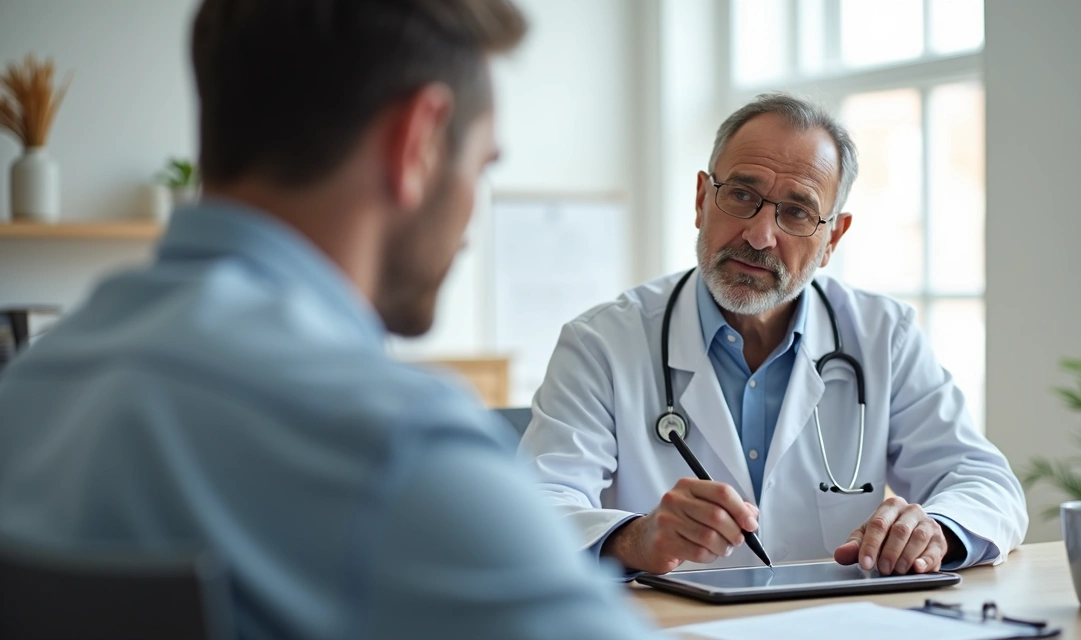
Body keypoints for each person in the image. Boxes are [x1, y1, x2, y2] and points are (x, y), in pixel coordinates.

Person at [0, 1, 661, 638]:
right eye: (480, 165)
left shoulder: (30, 387)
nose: (469, 226)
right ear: (419, 141)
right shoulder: (395, 447)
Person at [519, 93, 1028, 578]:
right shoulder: (602, 343)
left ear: (833, 238)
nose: (760, 236)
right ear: (701, 199)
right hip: (668, 623)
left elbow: (987, 484)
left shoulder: (883, 336)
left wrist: (933, 530)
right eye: (742, 196)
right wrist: (637, 538)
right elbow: (535, 512)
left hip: (834, 621)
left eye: (797, 212)